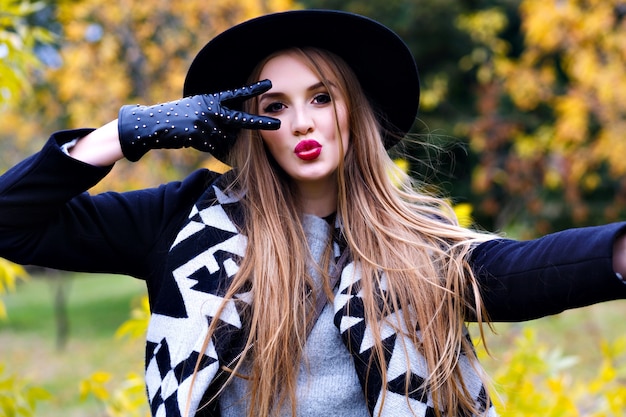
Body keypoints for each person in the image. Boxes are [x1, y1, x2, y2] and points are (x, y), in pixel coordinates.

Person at [0, 9, 625, 417]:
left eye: (321, 98)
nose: (301, 122)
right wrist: (133, 129)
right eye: (274, 105)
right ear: (248, 122)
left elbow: (520, 271)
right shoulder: (182, 223)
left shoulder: (413, 241)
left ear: (351, 110)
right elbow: (13, 222)